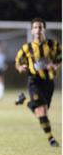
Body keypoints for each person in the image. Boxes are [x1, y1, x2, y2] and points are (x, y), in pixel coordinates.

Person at [14, 18, 61, 147]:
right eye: (35, 27)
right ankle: (51, 139)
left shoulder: (53, 45)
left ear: (44, 29)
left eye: (40, 27)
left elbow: (60, 58)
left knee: (42, 112)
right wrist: (20, 68)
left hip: (49, 82)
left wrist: (55, 65)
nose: (38, 30)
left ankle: (23, 101)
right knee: (40, 110)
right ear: (32, 30)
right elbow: (17, 62)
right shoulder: (26, 48)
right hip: (34, 81)